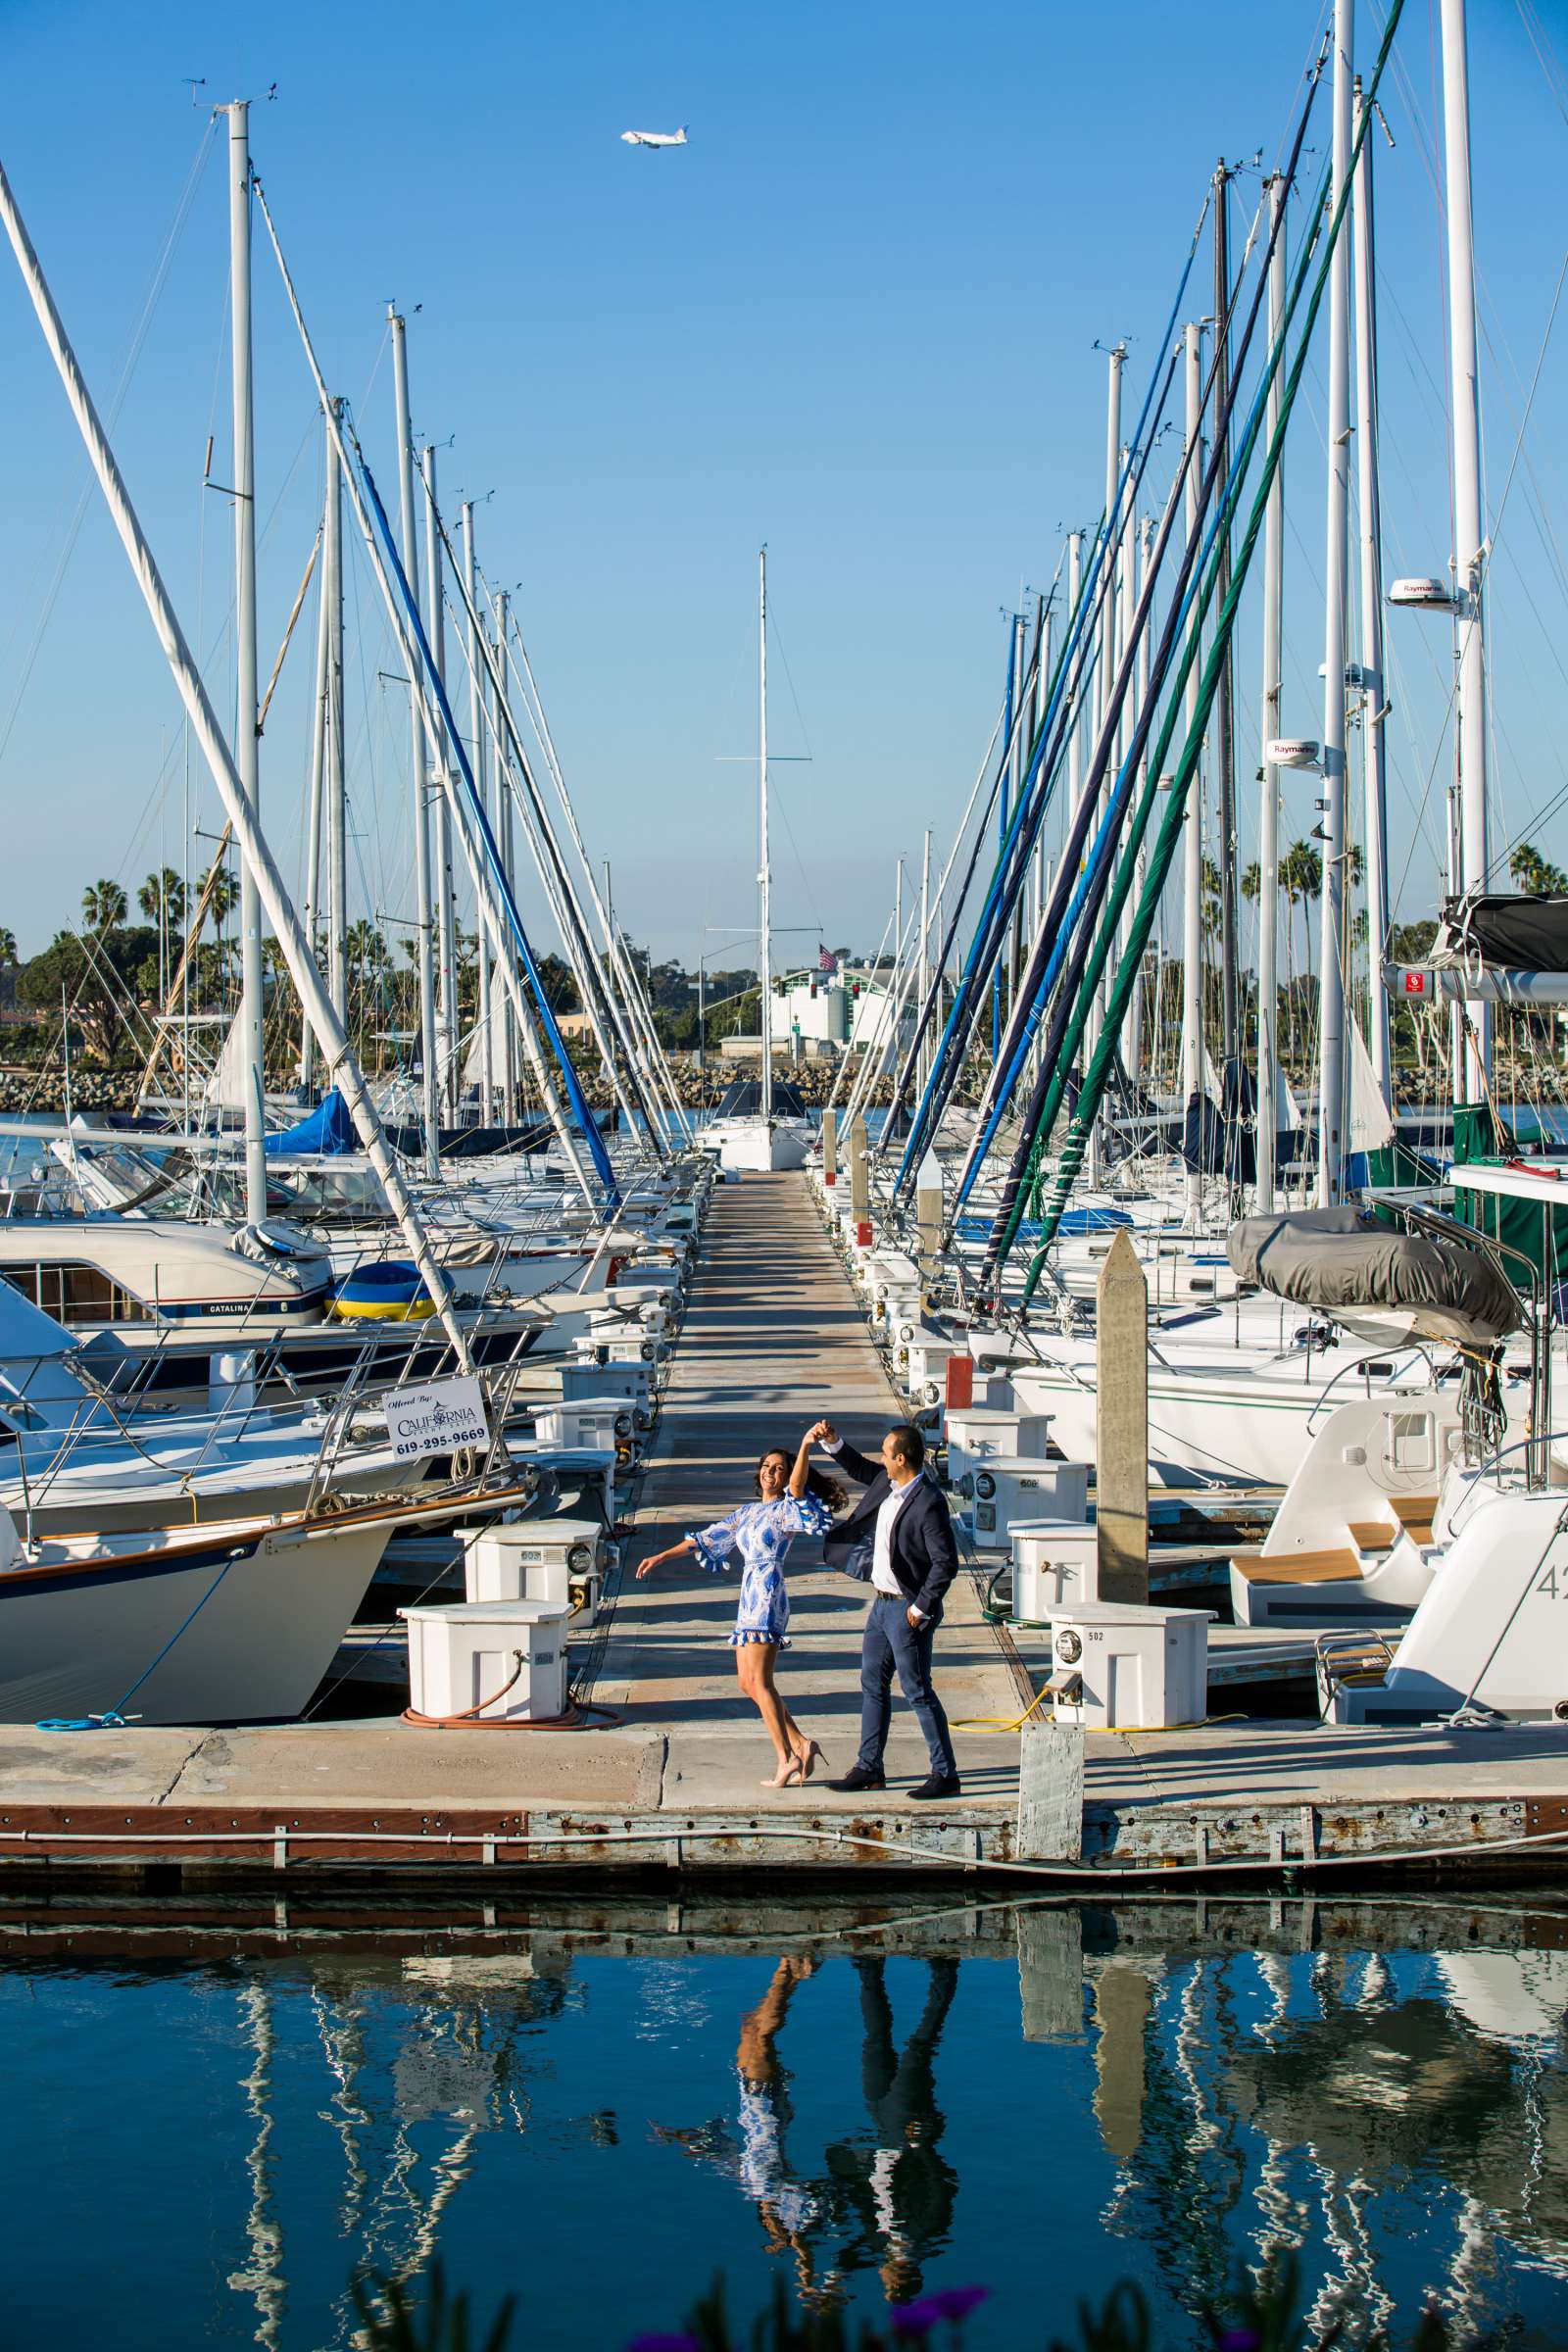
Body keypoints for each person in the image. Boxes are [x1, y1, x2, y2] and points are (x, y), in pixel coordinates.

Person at [636, 1433, 846, 1788]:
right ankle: (800, 1743)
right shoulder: (747, 1513)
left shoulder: (785, 1510)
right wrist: (660, 1556)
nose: (771, 1472)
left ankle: (787, 1758)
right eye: (766, 1466)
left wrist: (807, 1445)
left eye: (779, 1468)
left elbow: (797, 1486)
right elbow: (702, 1539)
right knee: (747, 1682)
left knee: (762, 1681)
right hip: (748, 1596)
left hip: (767, 1593)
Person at [807, 1419, 960, 1800]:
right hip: (880, 1605)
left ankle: (945, 1773)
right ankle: (869, 1767)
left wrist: (922, 1607)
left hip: (906, 1610)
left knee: (916, 1690)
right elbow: (859, 1467)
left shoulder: (927, 1502)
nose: (881, 1458)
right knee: (872, 1685)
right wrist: (833, 1441)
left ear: (902, 1459)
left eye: (886, 1454)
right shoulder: (889, 1484)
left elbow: (946, 1563)